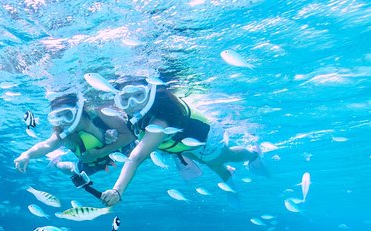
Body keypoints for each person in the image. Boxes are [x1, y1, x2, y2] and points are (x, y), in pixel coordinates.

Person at [99, 77, 266, 206]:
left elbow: (136, 157)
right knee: (204, 160)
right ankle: (227, 173)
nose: (132, 104)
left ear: (151, 93)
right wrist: (111, 134)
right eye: (125, 99)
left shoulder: (161, 121)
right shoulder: (137, 115)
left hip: (205, 140)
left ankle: (252, 155)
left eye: (138, 95)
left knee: (219, 160)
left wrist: (117, 190)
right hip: (181, 145)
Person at [14, 93, 135, 187]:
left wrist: (100, 153)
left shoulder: (99, 113)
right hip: (91, 163)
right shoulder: (63, 134)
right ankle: (56, 163)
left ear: (79, 111)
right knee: (74, 170)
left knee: (139, 149)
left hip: (122, 149)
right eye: (58, 117)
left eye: (68, 114)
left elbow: (130, 135)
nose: (63, 121)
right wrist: (27, 155)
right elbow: (46, 145)